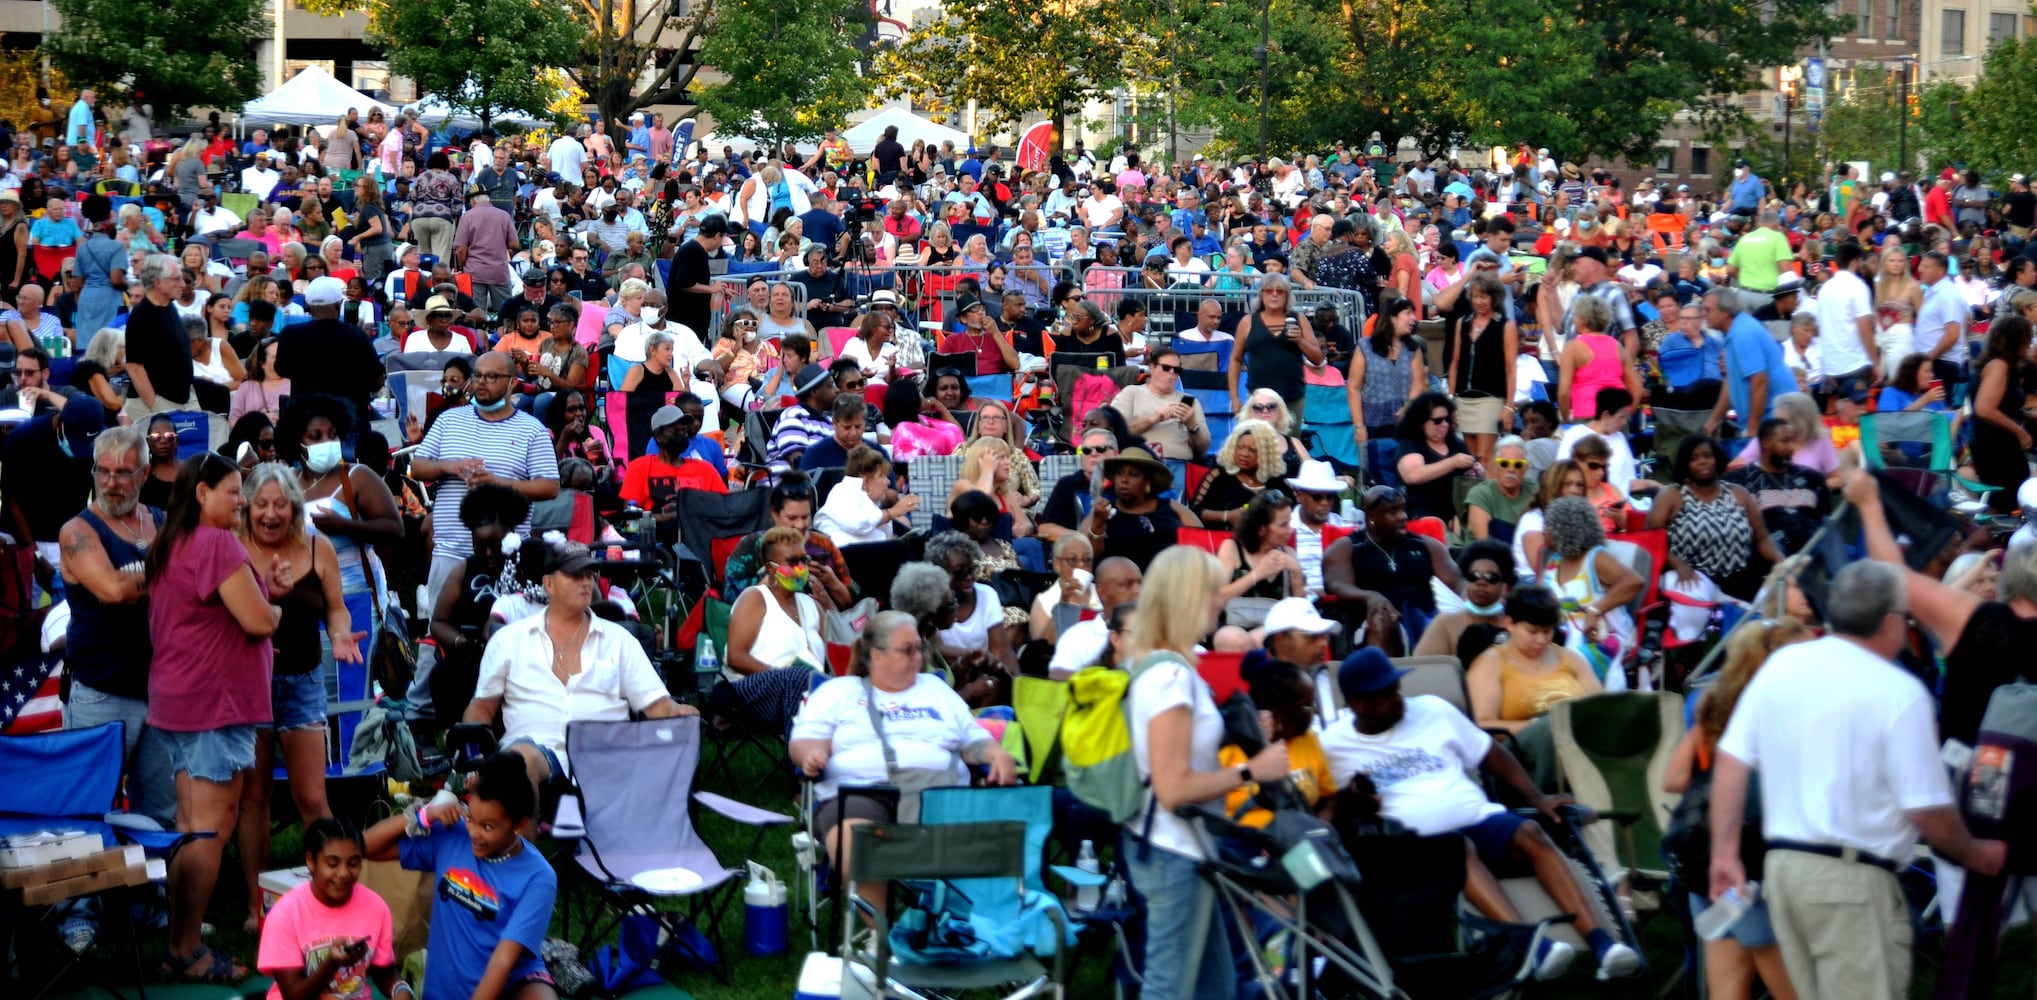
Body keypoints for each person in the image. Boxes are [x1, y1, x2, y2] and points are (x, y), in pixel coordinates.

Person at [1708, 560, 2006, 1000]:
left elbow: (1731, 761)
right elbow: (1925, 808)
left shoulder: (1783, 665)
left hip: (1783, 873)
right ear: (1890, 622)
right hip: (1850, 880)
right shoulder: (1899, 692)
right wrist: (1974, 852)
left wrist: (1725, 853)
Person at [1321, 647, 1643, 981]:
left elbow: (1490, 753)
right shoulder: (1333, 746)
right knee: (1459, 850)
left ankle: (1603, 945)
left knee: (1530, 832)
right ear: (1358, 702)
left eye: (1396, 688)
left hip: (1478, 819)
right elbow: (1330, 810)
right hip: (1417, 849)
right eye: (1386, 694)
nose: (1398, 697)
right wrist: (1355, 801)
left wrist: (1537, 796)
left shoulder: (1433, 709)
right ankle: (1534, 947)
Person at [1123, 546, 1290, 1000]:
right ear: (1189, 597)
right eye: (1213, 590)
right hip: (1172, 850)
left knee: (1217, 987)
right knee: (1169, 988)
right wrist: (1252, 769)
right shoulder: (1169, 679)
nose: (1221, 599)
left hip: (1182, 849)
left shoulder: (1166, 667)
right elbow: (1173, 788)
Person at [791, 611, 1018, 909]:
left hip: (942, 799)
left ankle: (963, 928)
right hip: (863, 794)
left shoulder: (936, 689)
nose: (918, 656)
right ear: (876, 656)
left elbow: (971, 739)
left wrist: (995, 753)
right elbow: (805, 740)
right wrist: (812, 754)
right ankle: (884, 939)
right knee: (859, 849)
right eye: (907, 649)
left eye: (919, 647)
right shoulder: (838, 692)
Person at [148, 453, 275, 983]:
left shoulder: (172, 543)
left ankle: (182, 942)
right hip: (213, 706)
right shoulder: (217, 543)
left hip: (184, 703)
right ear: (201, 493)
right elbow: (258, 620)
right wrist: (278, 610)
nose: (241, 499)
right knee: (209, 831)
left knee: (190, 828)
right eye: (232, 491)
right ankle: (187, 950)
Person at [463, 538, 693, 792]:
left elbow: (657, 704)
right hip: (534, 756)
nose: (585, 582)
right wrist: (474, 754)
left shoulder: (619, 640)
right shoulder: (509, 640)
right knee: (521, 760)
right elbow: (481, 707)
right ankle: (523, 830)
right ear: (548, 583)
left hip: (608, 759)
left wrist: (677, 712)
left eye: (589, 574)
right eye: (574, 575)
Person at [1662, 619, 1812, 1000]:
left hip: (1700, 854)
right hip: (1751, 858)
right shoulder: (1784, 713)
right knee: (1793, 988)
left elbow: (1674, 779)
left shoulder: (1713, 706)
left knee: (1726, 988)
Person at [363, 752, 560, 1000]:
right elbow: (365, 847)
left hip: (507, 984)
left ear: (519, 825)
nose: (474, 833)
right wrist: (425, 815)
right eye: (471, 818)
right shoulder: (454, 835)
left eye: (487, 826)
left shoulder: (538, 877)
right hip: (446, 989)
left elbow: (503, 959)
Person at [59, 426, 173, 827]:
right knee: (91, 810)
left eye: (122, 473)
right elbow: (113, 589)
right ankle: (95, 891)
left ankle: (155, 889)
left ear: (144, 474)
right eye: (102, 471)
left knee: (162, 814)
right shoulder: (77, 531)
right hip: (101, 692)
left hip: (159, 690)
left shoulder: (160, 520)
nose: (110, 482)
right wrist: (173, 569)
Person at [412, 352, 561, 610]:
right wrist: (448, 466)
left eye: (492, 376)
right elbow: (418, 467)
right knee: (443, 631)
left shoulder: (531, 429)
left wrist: (498, 483)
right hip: (450, 548)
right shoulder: (448, 420)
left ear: (513, 383)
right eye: (478, 375)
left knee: (506, 632)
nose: (482, 382)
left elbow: (550, 487)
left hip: (506, 552)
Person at [256, 817, 406, 1000]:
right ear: (311, 861)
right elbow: (293, 996)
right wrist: (331, 963)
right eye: (332, 863)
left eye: (353, 863)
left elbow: (384, 972)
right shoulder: (285, 915)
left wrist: (400, 990)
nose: (343, 873)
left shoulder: (377, 907)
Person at [1324, 485, 1462, 653]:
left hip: (1423, 619)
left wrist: (1474, 600)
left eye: (1403, 510)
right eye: (1393, 511)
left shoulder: (1425, 545)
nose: (1402, 517)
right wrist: (1369, 596)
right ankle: (1382, 677)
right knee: (1381, 620)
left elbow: (1457, 580)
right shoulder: (1348, 547)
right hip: (1372, 621)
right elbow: (1336, 584)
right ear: (1371, 517)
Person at [1647, 434, 1783, 602]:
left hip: (1740, 578)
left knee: (1776, 601)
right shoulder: (1672, 495)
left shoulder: (1739, 493)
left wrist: (1780, 560)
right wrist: (1678, 565)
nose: (1702, 461)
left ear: (1717, 459)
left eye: (1707, 456)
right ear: (1685, 464)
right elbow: (1651, 540)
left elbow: (1761, 536)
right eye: (1693, 458)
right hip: (1692, 577)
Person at [1535, 495, 1642, 678]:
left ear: (1566, 529)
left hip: (1603, 639)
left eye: (1549, 525)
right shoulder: (1554, 562)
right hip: (1562, 638)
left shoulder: (1595, 558)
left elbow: (1634, 582)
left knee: (1564, 666)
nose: (1543, 531)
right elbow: (1538, 600)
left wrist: (1595, 610)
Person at [2, 395, 103, 567]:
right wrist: (34, 553)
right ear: (61, 423)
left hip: (68, 538)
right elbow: (10, 497)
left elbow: (99, 497)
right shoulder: (24, 437)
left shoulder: (100, 442)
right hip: (21, 536)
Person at [618, 404, 728, 537]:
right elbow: (631, 520)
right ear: (659, 436)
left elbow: (725, 509)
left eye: (684, 430)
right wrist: (677, 516)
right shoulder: (640, 467)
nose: (682, 435)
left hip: (699, 540)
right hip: (657, 542)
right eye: (676, 430)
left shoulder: (705, 469)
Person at [1725, 417, 1829, 556]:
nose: (1791, 447)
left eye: (1793, 441)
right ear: (1765, 443)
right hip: (1768, 557)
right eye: (1785, 441)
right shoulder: (1739, 480)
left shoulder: (1812, 477)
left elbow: (1824, 515)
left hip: (1815, 551)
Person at [1229, 272, 1321, 427]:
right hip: (1258, 399)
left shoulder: (1299, 319)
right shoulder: (1248, 322)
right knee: (1257, 445)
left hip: (1292, 398)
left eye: (1280, 291)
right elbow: (1235, 360)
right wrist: (1235, 398)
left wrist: (1300, 340)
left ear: (1287, 296)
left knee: (1290, 446)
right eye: (1269, 290)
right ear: (1261, 295)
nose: (1274, 294)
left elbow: (1317, 358)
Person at [1086, 446, 1197, 570]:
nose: (1124, 479)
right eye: (1120, 473)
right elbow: (1085, 555)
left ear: (1147, 482)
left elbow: (1203, 542)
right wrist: (1098, 525)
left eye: (1133, 474)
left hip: (1170, 579)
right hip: (1122, 582)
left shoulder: (1172, 507)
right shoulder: (1103, 510)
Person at [1704, 287, 1797, 431]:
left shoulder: (1743, 333)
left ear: (1725, 312)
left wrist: (1752, 430)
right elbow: (1730, 381)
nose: (1704, 314)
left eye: (1708, 310)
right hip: (1768, 417)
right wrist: (1714, 421)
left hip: (1774, 419)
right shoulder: (1734, 330)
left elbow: (1760, 381)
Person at [926, 530, 1019, 674]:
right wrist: (976, 655)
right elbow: (936, 648)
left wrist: (1017, 685)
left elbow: (1002, 650)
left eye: (972, 569)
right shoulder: (929, 599)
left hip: (981, 671)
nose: (969, 577)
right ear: (939, 572)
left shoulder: (986, 594)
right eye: (960, 572)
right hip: (946, 675)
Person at [123, 253, 199, 424]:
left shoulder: (169, 306)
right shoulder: (142, 315)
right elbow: (134, 366)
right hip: (157, 402)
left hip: (184, 398)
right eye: (176, 279)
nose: (182, 284)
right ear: (158, 282)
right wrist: (156, 406)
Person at [1414, 539, 1515, 664]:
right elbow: (1421, 671)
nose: (1481, 582)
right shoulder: (1446, 623)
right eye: (1473, 576)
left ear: (1505, 586)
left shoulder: (1517, 625)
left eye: (1491, 578)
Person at [1968, 315, 2031, 511]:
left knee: (2003, 501)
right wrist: (2020, 432)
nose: (2028, 345)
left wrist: (2027, 415)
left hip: (1996, 443)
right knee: (2010, 501)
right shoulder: (1998, 366)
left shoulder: (2002, 366)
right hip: (1995, 446)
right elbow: (1984, 408)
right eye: (2026, 341)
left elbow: (2003, 406)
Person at [1110, 346, 1209, 465]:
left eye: (1177, 370)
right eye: (1166, 368)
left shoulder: (1190, 401)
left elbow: (1203, 449)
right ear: (1152, 367)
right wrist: (1155, 418)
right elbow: (1115, 433)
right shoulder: (1131, 393)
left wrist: (1192, 426)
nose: (1172, 373)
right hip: (1140, 463)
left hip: (1180, 464)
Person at [1393, 391, 1476, 524]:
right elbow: (1413, 475)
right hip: (1423, 510)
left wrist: (1476, 468)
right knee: (1434, 524)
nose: (1444, 425)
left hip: (1458, 510)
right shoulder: (1410, 444)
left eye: (1447, 419)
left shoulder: (1456, 444)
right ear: (1422, 421)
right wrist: (1453, 462)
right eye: (1437, 421)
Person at [1558, 294, 1641, 423]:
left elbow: (1564, 391)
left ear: (1584, 320)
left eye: (1575, 316)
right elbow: (1637, 387)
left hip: (1586, 416)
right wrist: (1627, 416)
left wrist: (1565, 419)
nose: (1573, 320)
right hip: (1616, 416)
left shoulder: (1573, 347)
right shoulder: (1617, 346)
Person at [1189, 420, 1286, 529]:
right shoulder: (1219, 475)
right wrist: (1227, 516)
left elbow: (1293, 513)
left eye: (1253, 450)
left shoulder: (1277, 480)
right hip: (1223, 540)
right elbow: (1195, 512)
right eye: (1240, 447)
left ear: (1266, 455)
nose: (1244, 454)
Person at [817, 444, 918, 547]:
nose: (888, 482)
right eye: (882, 476)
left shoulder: (869, 502)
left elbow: (884, 534)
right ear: (866, 480)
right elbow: (859, 524)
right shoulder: (843, 491)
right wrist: (892, 512)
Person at [1215, 491, 1305, 603]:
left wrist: (1297, 572)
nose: (1290, 530)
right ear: (1261, 529)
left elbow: (1301, 609)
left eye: (1289, 523)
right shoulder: (1231, 548)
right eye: (1283, 525)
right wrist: (1258, 574)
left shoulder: (1289, 553)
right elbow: (1217, 597)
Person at [1466, 436, 1533, 543]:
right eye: (1504, 464)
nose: (1511, 469)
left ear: (1526, 468)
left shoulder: (1535, 491)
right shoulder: (1481, 494)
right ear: (1495, 466)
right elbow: (1484, 544)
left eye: (1518, 465)